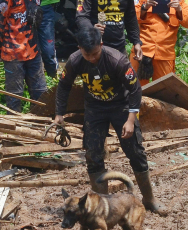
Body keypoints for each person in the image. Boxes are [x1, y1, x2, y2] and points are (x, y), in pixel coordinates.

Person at [53, 26, 166, 215]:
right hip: (95, 108)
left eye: (95, 54)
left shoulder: (117, 60)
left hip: (120, 106)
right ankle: (101, 207)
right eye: (87, 54)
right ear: (79, 48)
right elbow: (64, 86)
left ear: (101, 45)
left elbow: (135, 89)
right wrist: (59, 114)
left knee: (135, 152)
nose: (91, 58)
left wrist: (131, 120)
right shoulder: (74, 61)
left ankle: (149, 199)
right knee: (93, 155)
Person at [0, 0, 50, 112]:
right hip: (13, 53)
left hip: (33, 51)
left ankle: (39, 125)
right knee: (15, 96)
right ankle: (14, 130)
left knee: (40, 92)